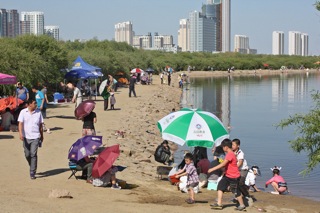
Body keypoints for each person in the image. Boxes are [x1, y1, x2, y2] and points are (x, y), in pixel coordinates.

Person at [207, 139, 246, 211]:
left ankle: (242, 205)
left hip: (234, 176)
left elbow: (223, 164)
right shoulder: (230, 154)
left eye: (223, 147)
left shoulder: (230, 154)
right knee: (220, 186)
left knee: (235, 191)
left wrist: (212, 169)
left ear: (226, 147)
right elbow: (226, 164)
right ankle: (219, 204)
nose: (222, 148)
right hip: (227, 175)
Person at [18, 99, 44, 179]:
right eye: (34, 103)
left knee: (33, 154)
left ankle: (32, 171)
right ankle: (32, 164)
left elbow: (40, 125)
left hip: (35, 136)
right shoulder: (23, 112)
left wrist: (42, 135)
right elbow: (20, 123)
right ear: (29, 104)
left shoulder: (38, 113)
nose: (36, 104)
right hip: (26, 137)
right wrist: (20, 133)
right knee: (27, 154)